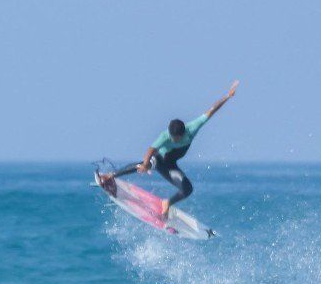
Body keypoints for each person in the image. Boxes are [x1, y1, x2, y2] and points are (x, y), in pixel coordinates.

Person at [100, 80, 239, 218]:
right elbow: (150, 149)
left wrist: (228, 96)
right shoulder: (165, 135)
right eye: (171, 137)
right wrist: (144, 164)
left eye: (175, 138)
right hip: (159, 160)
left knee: (188, 189)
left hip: (170, 166)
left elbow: (211, 111)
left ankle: (167, 203)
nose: (171, 139)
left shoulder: (193, 128)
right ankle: (111, 175)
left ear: (182, 134)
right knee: (147, 163)